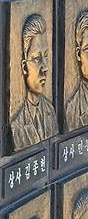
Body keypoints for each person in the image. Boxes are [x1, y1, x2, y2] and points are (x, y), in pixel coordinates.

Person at [10, 13, 57, 152]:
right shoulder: (17, 124)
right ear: (24, 67)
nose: (45, 67)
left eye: (46, 57)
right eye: (37, 59)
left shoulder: (51, 112)